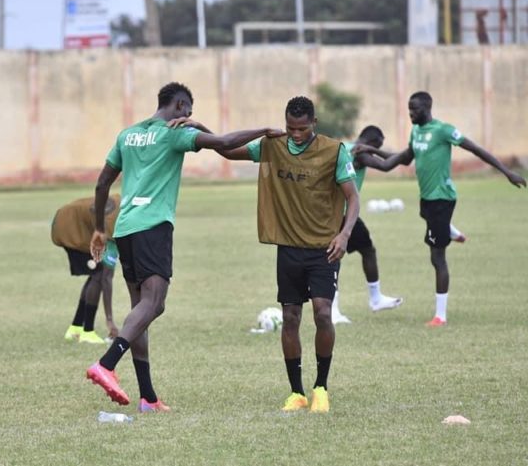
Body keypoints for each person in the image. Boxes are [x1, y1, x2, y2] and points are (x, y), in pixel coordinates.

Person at [86, 82, 279, 412]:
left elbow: (103, 182)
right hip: (153, 226)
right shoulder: (174, 133)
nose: (189, 116)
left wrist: (98, 230)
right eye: (188, 110)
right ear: (177, 105)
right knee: (154, 303)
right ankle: (106, 363)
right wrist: (264, 129)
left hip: (126, 227)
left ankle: (148, 398)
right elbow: (224, 143)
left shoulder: (127, 135)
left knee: (141, 312)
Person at [210, 96, 359, 413]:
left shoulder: (335, 151)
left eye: (302, 129)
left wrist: (345, 234)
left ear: (314, 123)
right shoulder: (272, 146)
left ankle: (321, 387)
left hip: (324, 249)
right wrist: (259, 131)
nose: (295, 134)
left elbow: (353, 197)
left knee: (322, 313)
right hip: (289, 249)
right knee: (290, 318)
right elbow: (223, 149)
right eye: (290, 128)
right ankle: (297, 392)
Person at [352, 91, 525, 327]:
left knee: (437, 257)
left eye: (415, 109)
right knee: (424, 215)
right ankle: (450, 230)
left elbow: (476, 149)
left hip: (442, 198)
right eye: (409, 109)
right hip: (428, 199)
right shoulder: (416, 132)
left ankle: (440, 316)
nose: (411, 113)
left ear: (427, 107)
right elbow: (402, 159)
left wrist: (506, 172)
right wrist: (370, 150)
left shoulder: (443, 130)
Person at [329, 125, 404, 324]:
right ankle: (334, 311)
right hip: (344, 214)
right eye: (376, 146)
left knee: (367, 250)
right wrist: (408, 151)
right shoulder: (360, 154)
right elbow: (388, 165)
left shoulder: (343, 147)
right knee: (334, 259)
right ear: (371, 143)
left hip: (334, 212)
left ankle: (376, 298)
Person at [52, 194, 120, 344]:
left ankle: (76, 327)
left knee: (95, 274)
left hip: (68, 221)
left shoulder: (123, 206)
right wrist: (110, 321)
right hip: (70, 228)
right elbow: (107, 278)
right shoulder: (116, 226)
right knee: (100, 274)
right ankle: (87, 332)